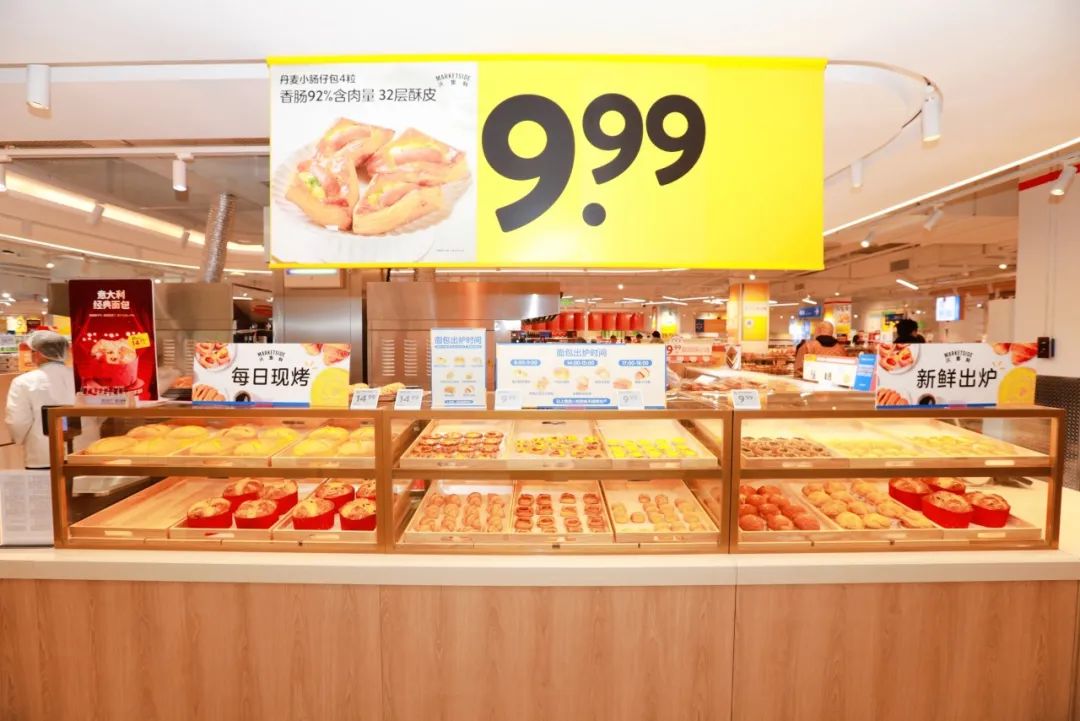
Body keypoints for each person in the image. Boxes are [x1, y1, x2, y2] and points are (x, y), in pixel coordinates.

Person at [4, 331, 75, 470]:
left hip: (42, 455)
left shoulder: (23, 382)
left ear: (39, 354)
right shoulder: (79, 377)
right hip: (82, 452)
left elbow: (17, 421)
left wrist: (18, 439)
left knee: (46, 484)